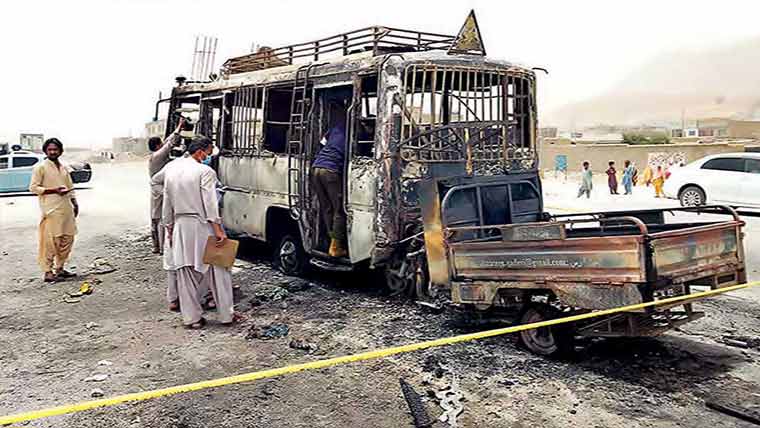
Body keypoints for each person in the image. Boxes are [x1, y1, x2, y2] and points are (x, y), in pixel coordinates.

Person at [162, 136, 235, 329]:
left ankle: (192, 319)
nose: (209, 156)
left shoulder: (172, 171)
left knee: (185, 274)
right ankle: (226, 315)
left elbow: (166, 204)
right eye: (209, 152)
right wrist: (218, 229)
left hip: (180, 225)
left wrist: (169, 229)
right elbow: (210, 202)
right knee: (219, 270)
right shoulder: (205, 171)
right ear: (201, 151)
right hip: (202, 225)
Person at [29, 138, 79, 282]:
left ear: (60, 151)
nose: (52, 152)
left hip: (66, 208)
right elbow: (33, 188)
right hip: (51, 210)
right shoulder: (40, 167)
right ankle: (48, 271)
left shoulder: (63, 168)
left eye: (55, 149)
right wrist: (53, 190)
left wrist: (75, 203)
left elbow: (70, 187)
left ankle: (60, 268)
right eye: (50, 149)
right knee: (51, 242)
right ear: (45, 151)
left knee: (67, 239)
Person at [311, 103, 348, 258]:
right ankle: (335, 247)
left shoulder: (335, 128)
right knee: (339, 209)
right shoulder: (354, 130)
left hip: (317, 167)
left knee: (327, 208)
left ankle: (330, 240)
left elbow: (321, 143)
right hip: (331, 171)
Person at [148, 118, 184, 254]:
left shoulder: (155, 155)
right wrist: (179, 126)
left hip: (157, 188)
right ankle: (161, 247)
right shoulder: (158, 156)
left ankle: (157, 246)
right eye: (161, 143)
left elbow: (167, 140)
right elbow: (169, 143)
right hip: (160, 188)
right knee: (161, 218)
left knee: (156, 216)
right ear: (158, 146)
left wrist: (178, 127)